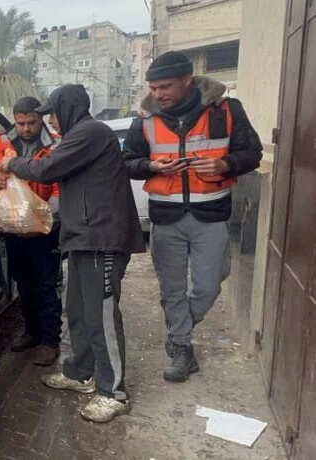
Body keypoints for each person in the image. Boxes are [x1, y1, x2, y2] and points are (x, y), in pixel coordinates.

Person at [0, 85, 145, 423]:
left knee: (102, 315)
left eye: (53, 112)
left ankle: (113, 392)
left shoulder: (90, 131)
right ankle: (80, 373)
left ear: (69, 108)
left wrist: (13, 162)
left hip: (102, 238)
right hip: (82, 237)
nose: (51, 119)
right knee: (77, 309)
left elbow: (46, 169)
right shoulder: (79, 135)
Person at [122, 51, 262, 383]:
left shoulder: (226, 110)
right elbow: (127, 161)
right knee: (172, 289)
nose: (158, 95)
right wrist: (151, 166)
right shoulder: (144, 119)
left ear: (188, 80)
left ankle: (179, 330)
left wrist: (225, 164)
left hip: (211, 215)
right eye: (153, 88)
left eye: (165, 87)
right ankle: (182, 348)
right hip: (166, 217)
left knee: (209, 284)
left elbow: (252, 152)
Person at [0, 96, 63, 365]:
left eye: (31, 123)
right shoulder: (3, 141)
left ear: (40, 119)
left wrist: (44, 220)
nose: (26, 128)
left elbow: (59, 187)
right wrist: (0, 179)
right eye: (21, 123)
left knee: (46, 285)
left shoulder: (55, 144)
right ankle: (31, 332)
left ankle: (50, 341)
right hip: (13, 224)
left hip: (44, 229)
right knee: (24, 283)